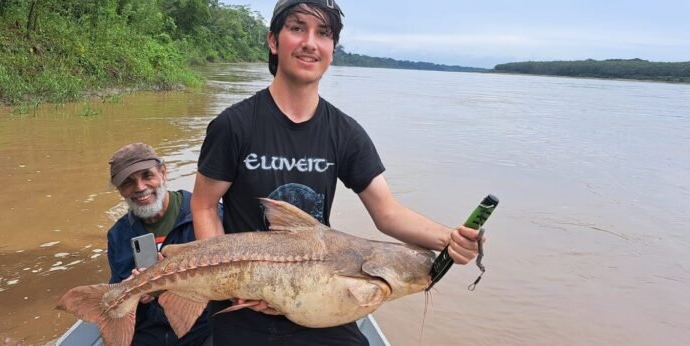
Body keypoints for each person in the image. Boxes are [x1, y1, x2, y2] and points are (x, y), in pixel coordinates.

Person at [191, 0, 486, 345]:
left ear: (332, 49)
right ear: (274, 41)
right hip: (247, 308)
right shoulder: (234, 125)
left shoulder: (345, 133)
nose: (310, 42)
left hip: (321, 296)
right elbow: (204, 205)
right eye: (297, 28)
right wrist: (228, 283)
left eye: (323, 33)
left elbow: (387, 213)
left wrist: (453, 239)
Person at [106, 142, 215, 346]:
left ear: (163, 173)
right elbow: (117, 295)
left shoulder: (205, 214)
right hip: (148, 333)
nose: (140, 188)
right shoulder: (117, 235)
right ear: (120, 190)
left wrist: (164, 286)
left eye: (147, 175)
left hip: (201, 329)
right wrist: (131, 290)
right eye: (128, 182)